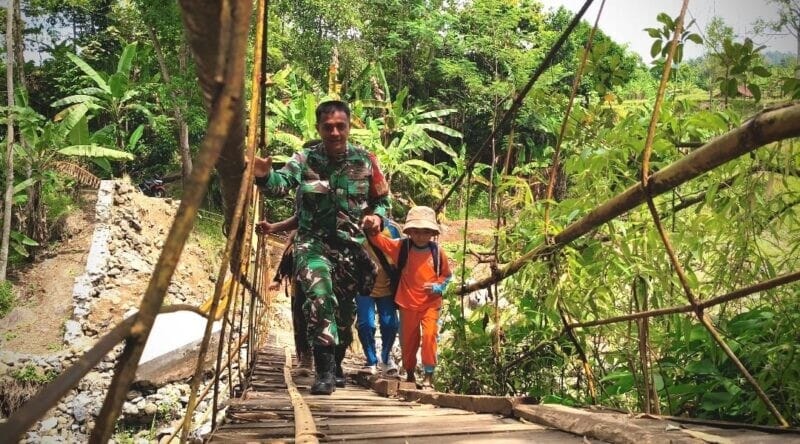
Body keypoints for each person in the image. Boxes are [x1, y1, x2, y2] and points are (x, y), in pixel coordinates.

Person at [252, 100, 390, 395]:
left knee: (343, 315)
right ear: (319, 129)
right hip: (311, 245)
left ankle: (337, 363)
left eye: (341, 126)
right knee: (319, 295)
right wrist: (263, 175)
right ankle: (324, 372)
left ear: (349, 127)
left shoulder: (366, 162)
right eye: (328, 127)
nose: (335, 132)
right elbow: (280, 184)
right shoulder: (304, 160)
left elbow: (383, 200)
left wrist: (376, 216)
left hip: (350, 249)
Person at [366, 206, 451, 389]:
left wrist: (438, 286)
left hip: (431, 303)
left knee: (429, 337)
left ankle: (429, 375)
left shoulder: (438, 252)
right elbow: (380, 242)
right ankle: (410, 373)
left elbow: (447, 275)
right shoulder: (402, 247)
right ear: (410, 232)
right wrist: (372, 228)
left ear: (432, 233)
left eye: (426, 232)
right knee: (408, 341)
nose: (421, 236)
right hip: (407, 303)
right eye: (417, 232)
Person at [357, 216, 402, 376]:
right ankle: (371, 360)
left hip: (387, 286)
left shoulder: (392, 229)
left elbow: (401, 255)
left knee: (390, 324)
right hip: (364, 286)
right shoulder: (356, 229)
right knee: (366, 324)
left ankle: (385, 357)